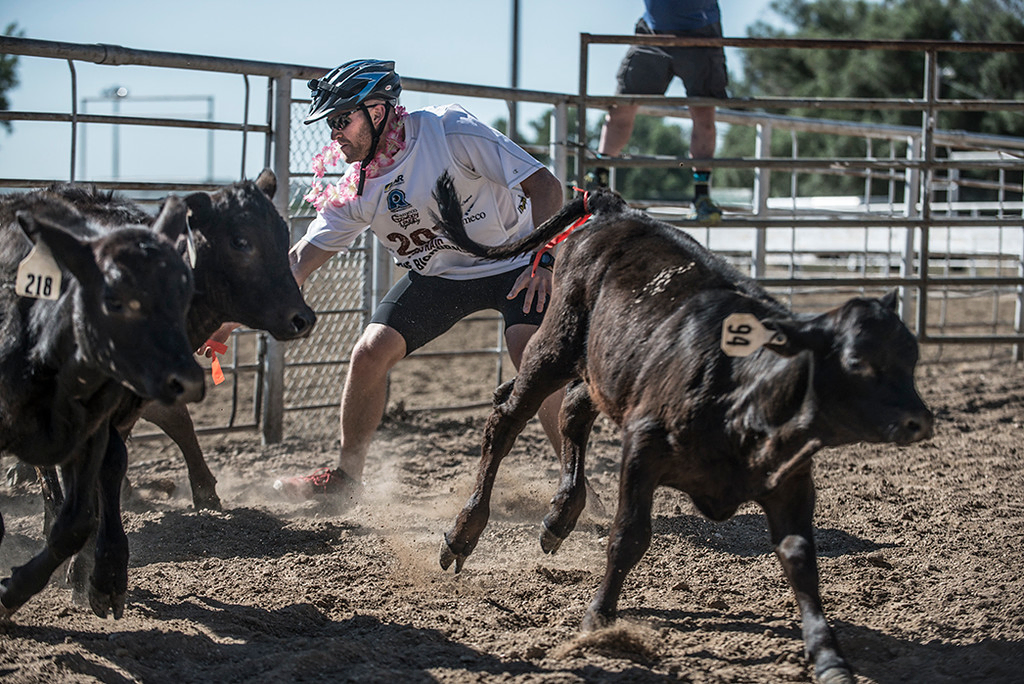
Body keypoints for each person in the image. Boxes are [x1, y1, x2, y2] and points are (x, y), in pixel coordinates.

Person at [257, 59, 565, 502]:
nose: (333, 134)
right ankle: (347, 480)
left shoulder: (450, 130)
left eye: (342, 120)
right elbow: (300, 260)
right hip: (438, 276)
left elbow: (547, 187)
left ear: (377, 113)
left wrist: (544, 260)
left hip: (516, 262)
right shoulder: (356, 185)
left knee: (529, 353)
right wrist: (229, 317)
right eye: (330, 123)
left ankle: (575, 480)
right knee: (369, 353)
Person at [588, 0, 727, 224]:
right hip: (652, 31)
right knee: (621, 107)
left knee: (704, 115)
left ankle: (701, 196)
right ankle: (597, 185)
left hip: (701, 31)